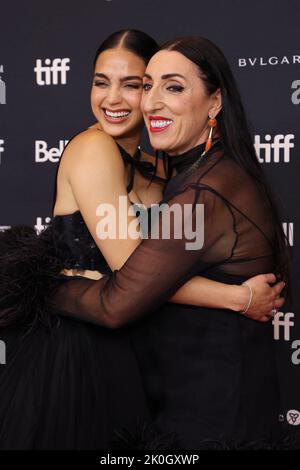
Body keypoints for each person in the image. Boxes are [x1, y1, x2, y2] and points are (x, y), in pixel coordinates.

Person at [0, 31, 285, 450]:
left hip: (138, 355)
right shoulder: (94, 148)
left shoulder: (164, 165)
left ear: (213, 101)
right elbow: (131, 276)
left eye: (134, 84)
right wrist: (235, 297)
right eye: (101, 82)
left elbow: (149, 276)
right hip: (77, 350)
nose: (114, 98)